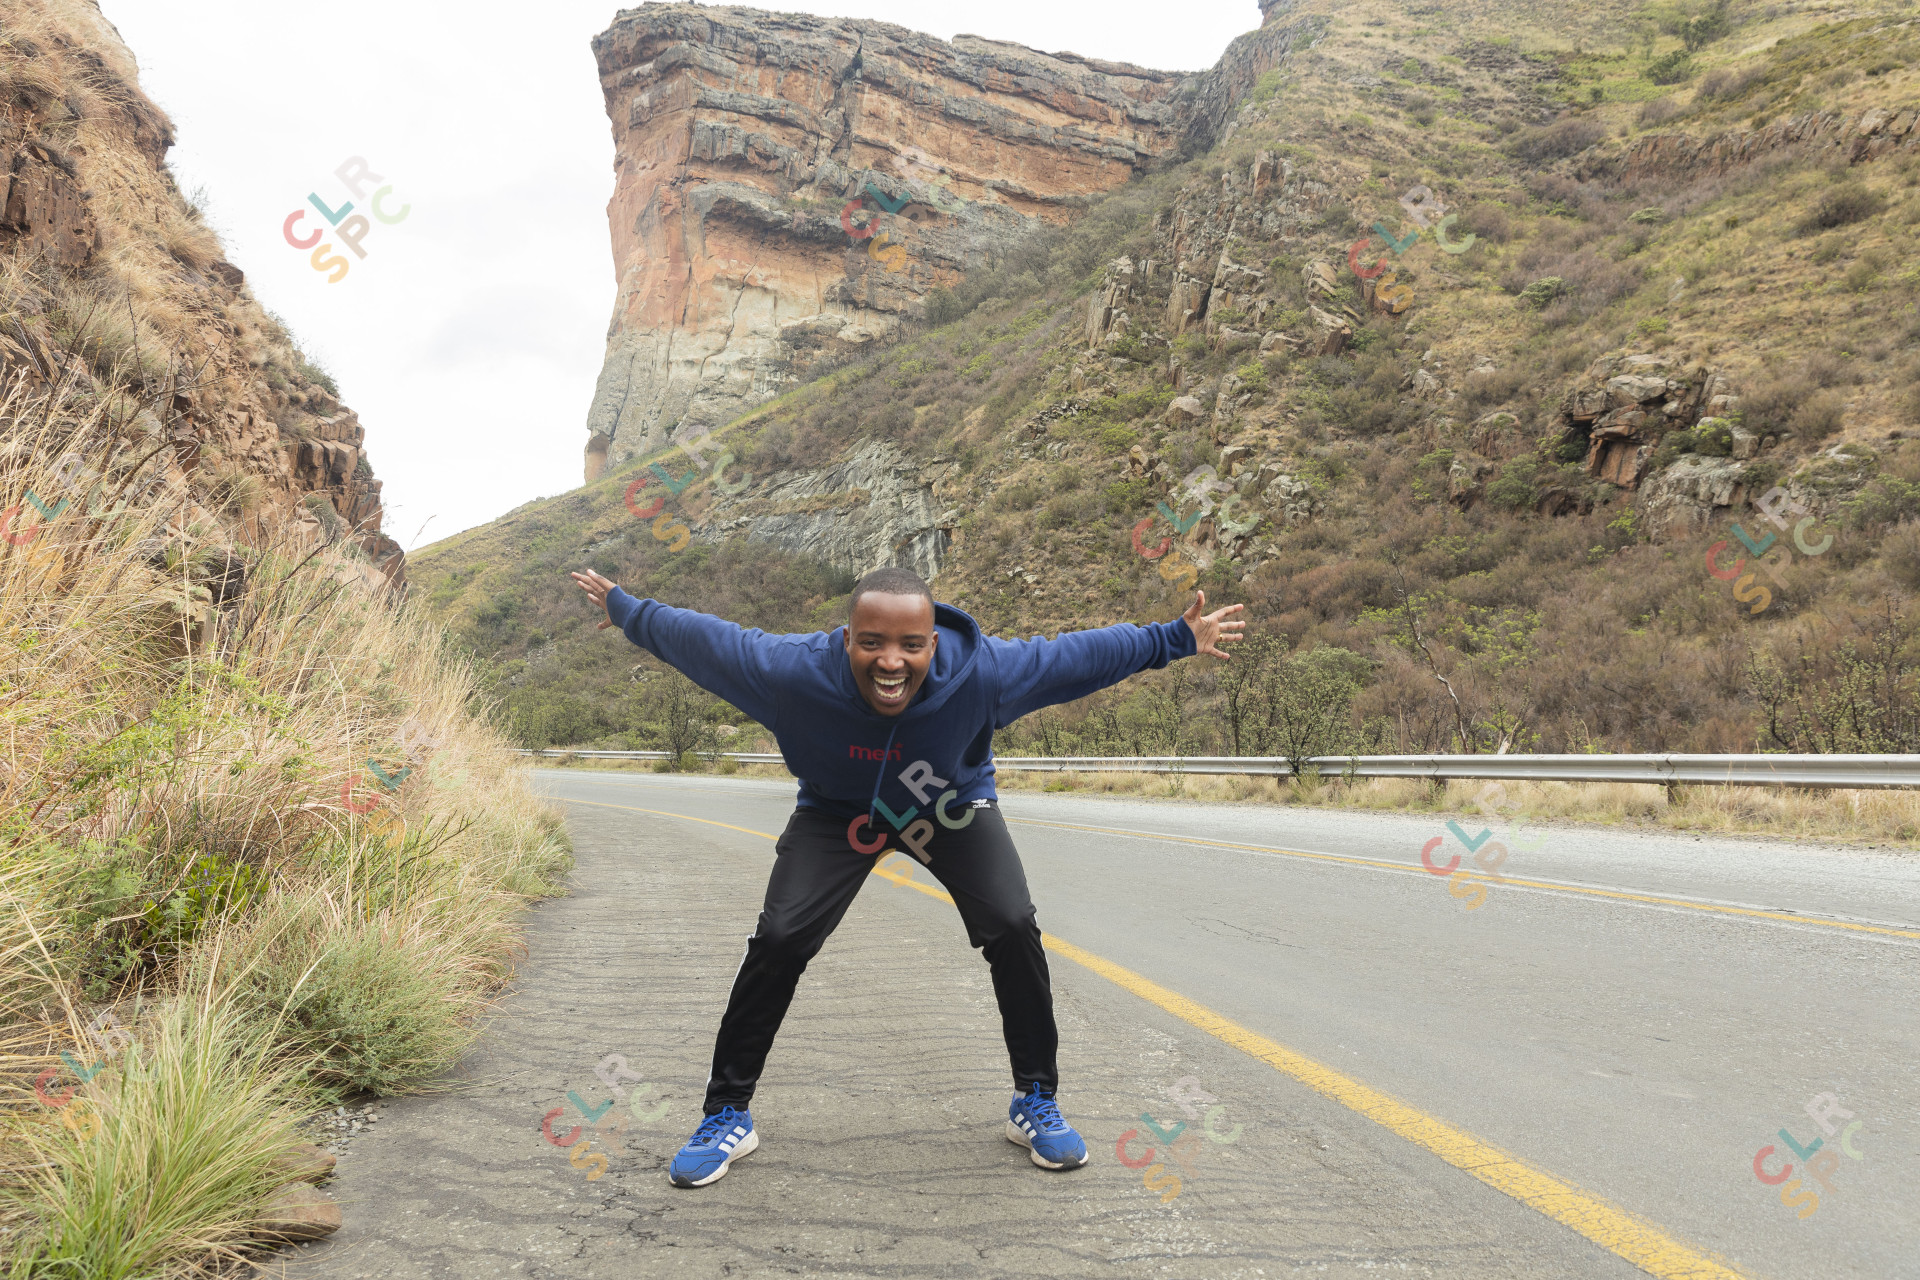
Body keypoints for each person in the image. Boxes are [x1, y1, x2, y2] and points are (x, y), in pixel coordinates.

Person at [568, 565, 1244, 1188]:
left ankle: (1035, 1101)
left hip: (949, 806)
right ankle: (727, 1114)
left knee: (1012, 925)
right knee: (779, 939)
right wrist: (627, 609)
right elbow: (699, 639)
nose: (891, 661)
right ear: (846, 640)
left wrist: (1175, 638)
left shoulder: (983, 673)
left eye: (911, 646)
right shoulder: (789, 674)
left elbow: (1079, 655)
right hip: (839, 813)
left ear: (932, 643)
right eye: (872, 643)